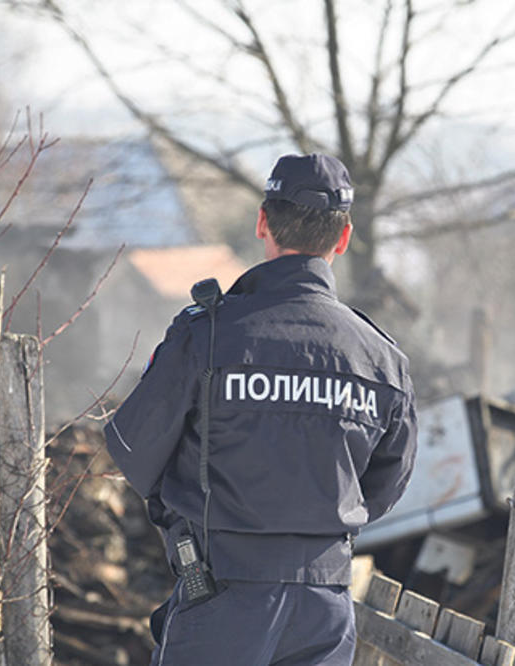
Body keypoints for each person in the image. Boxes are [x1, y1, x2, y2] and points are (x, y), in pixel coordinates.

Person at [105, 153, 418, 665]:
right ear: (343, 239)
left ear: (262, 222)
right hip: (325, 607)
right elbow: (385, 487)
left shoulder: (205, 334)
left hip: (221, 599)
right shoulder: (381, 357)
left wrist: (186, 511)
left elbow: (132, 448)